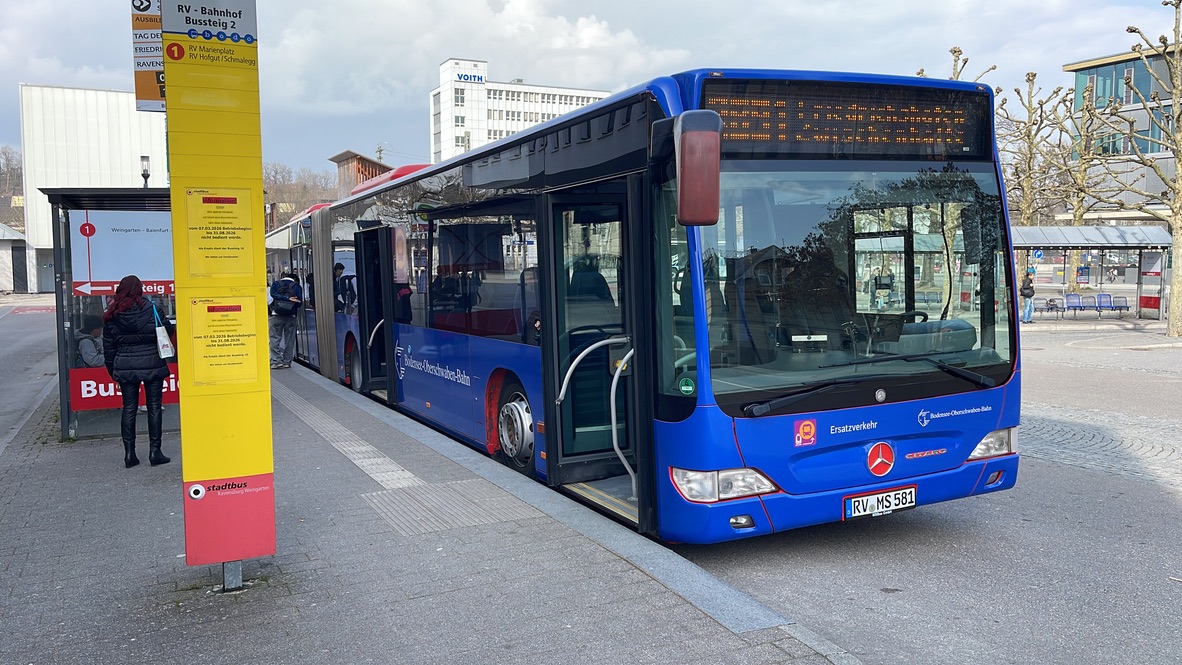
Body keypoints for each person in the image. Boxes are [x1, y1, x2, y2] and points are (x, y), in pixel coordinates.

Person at [102, 275, 173, 468]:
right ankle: (155, 452)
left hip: (125, 365)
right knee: (154, 407)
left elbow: (108, 347)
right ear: (140, 289)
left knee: (129, 408)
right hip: (152, 363)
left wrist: (113, 371)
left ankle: (129, 454)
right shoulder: (153, 309)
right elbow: (167, 331)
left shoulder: (112, 314)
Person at [269, 272, 303, 368]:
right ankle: (287, 361)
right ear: (295, 279)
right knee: (289, 340)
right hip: (291, 316)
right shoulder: (297, 286)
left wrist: (284, 298)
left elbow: (272, 295)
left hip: (276, 315)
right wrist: (290, 299)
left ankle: (276, 361)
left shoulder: (276, 284)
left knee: (275, 338)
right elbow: (299, 303)